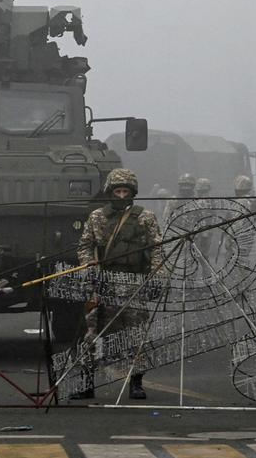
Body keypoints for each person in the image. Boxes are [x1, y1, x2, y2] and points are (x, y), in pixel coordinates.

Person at [76, 168, 164, 400]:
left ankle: (136, 383)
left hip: (134, 283)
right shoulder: (97, 217)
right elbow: (85, 245)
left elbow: (157, 248)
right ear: (110, 192)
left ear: (132, 192)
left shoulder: (145, 217)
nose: (122, 195)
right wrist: (89, 267)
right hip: (104, 283)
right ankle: (87, 383)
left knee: (135, 335)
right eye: (118, 190)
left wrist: (158, 277)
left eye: (126, 191)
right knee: (92, 334)